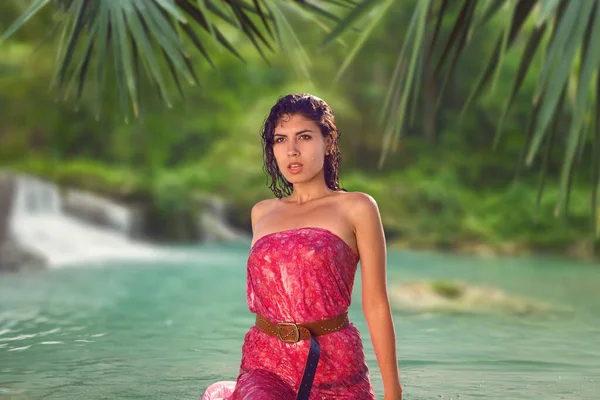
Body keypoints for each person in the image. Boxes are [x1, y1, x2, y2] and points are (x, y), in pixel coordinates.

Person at [202, 94, 402, 400]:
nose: (291, 151)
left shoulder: (357, 207)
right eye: (280, 140)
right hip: (265, 363)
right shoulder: (262, 212)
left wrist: (394, 393)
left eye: (304, 137)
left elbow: (375, 303)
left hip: (336, 364)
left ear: (329, 142)